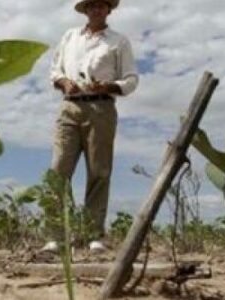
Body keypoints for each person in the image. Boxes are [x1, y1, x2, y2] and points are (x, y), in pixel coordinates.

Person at [43, 0, 139, 252]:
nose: (96, 9)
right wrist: (64, 83)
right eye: (91, 5)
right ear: (85, 10)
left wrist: (107, 86)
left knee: (99, 172)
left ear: (109, 10)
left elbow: (131, 79)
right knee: (58, 170)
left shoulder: (119, 41)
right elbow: (55, 70)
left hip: (102, 108)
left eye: (101, 5)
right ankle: (56, 236)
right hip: (70, 107)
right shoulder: (70, 36)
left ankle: (93, 235)